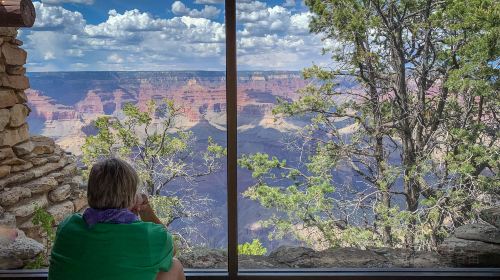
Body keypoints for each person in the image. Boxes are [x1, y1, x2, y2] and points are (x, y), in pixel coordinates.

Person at [48, 158, 185, 280]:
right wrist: (145, 209)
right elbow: (171, 250)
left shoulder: (68, 226)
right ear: (131, 195)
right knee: (174, 265)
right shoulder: (148, 236)